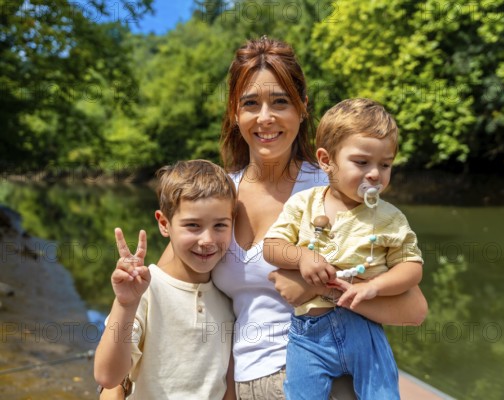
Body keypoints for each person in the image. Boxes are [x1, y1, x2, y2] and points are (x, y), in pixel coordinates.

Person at [159, 37, 428, 400]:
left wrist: (321, 289)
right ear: (235, 114)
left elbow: (414, 309)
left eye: (280, 102)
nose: (265, 117)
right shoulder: (218, 195)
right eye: (251, 103)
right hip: (247, 383)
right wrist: (116, 383)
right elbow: (161, 289)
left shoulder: (335, 188)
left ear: (302, 108)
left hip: (329, 383)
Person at [263, 98, 424, 399]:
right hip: (309, 335)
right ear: (326, 160)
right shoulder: (304, 203)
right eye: (362, 162)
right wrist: (302, 256)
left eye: (385, 164)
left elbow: (411, 268)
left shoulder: (389, 217)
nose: (375, 174)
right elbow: (271, 247)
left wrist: (375, 286)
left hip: (365, 328)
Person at [94, 160, 237, 400]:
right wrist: (125, 304)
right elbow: (107, 376)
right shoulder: (146, 288)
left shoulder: (229, 294)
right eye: (193, 225)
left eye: (220, 225)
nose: (207, 239)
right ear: (164, 224)